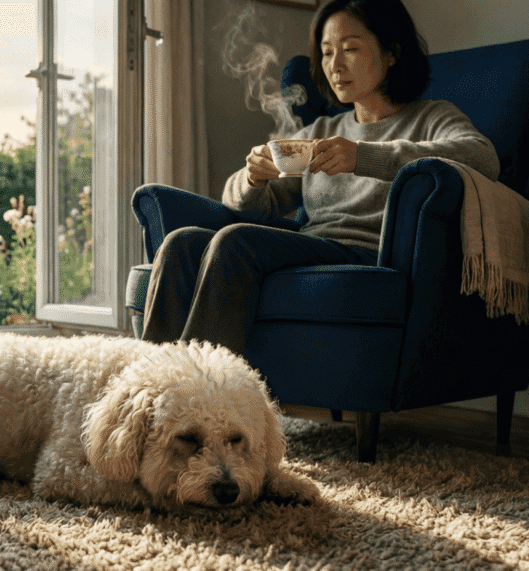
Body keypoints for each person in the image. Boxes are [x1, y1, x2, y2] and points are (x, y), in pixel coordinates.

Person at [141, 0, 500, 355]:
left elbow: (482, 157)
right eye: (327, 53)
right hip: (311, 247)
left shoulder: (431, 118)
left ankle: (197, 383)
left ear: (392, 52)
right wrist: (252, 178)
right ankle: (149, 380)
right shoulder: (322, 131)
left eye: (350, 49)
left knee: (237, 242)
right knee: (182, 243)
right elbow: (250, 204)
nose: (335, 65)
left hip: (369, 255)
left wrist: (363, 157)